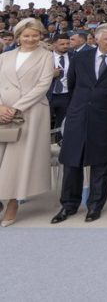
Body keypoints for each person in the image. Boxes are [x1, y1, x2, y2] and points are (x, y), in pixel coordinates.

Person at [53, 23, 107, 224]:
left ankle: (95, 206)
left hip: (106, 116)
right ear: (96, 39)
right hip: (78, 115)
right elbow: (72, 85)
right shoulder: (80, 58)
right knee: (72, 162)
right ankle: (69, 205)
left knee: (102, 163)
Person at [0, 18, 56, 227]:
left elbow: (42, 85)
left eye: (35, 35)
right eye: (26, 35)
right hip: (2, 112)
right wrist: (1, 107)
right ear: (18, 37)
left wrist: (16, 108)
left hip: (29, 113)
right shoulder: (5, 57)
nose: (30, 39)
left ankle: (13, 202)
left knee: (18, 161)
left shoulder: (45, 56)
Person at [48, 32, 72, 135]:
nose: (65, 46)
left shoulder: (75, 57)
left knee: (63, 123)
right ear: (54, 44)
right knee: (44, 122)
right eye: (62, 44)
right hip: (48, 95)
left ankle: (60, 144)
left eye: (67, 43)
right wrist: (50, 74)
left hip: (66, 95)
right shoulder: (46, 57)